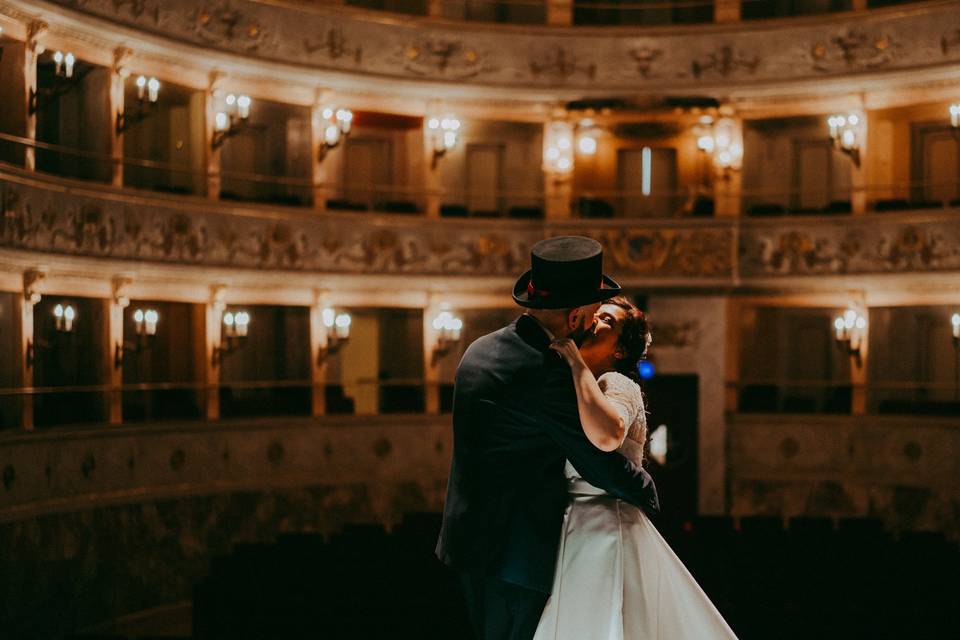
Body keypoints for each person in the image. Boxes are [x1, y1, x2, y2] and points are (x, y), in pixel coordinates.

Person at [436, 236, 659, 640]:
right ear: (575, 318)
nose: (594, 323)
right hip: (513, 553)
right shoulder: (545, 374)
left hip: (466, 538)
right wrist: (645, 485)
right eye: (594, 313)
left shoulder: (481, 348)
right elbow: (597, 458)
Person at [534, 297, 738, 640]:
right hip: (573, 526)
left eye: (608, 322)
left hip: (607, 526)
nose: (595, 320)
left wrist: (574, 361)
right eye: (596, 315)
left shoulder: (618, 383)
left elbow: (608, 435)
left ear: (619, 351)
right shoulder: (574, 388)